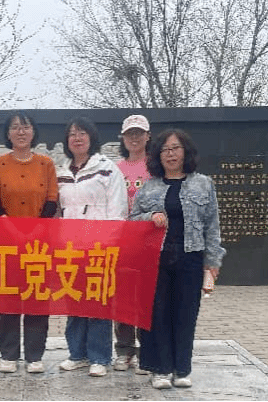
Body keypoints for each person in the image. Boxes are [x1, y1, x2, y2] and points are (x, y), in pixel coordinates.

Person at [129, 128, 225, 390]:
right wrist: (150, 217)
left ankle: (181, 369)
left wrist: (213, 260)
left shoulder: (203, 184)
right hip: (156, 259)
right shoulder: (149, 187)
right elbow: (132, 220)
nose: (170, 154)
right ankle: (159, 369)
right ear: (157, 155)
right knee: (157, 314)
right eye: (165, 150)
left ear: (186, 152)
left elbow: (212, 224)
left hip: (190, 257)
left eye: (175, 148)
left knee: (185, 314)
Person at [0, 111, 59, 375]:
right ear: (8, 133)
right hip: (7, 241)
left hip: (40, 242)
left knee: (37, 296)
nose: (21, 132)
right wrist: (12, 228)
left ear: (33, 132)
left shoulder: (46, 163)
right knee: (9, 298)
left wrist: (36, 230)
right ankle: (8, 354)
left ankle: (34, 355)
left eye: (25, 127)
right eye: (15, 127)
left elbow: (52, 199)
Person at [55, 116, 128, 378]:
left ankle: (99, 357)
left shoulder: (107, 169)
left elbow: (118, 211)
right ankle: (77, 354)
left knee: (98, 301)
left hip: (99, 246)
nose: (77, 138)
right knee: (74, 300)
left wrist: (110, 244)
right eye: (72, 134)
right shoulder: (61, 172)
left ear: (91, 137)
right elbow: (58, 211)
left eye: (82, 133)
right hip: (70, 248)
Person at [113, 114, 152, 375]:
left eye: (139, 133)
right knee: (123, 298)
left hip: (149, 240)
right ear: (123, 138)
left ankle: (147, 351)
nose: (134, 138)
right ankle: (124, 350)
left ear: (148, 136)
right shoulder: (115, 169)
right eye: (130, 134)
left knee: (147, 298)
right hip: (122, 241)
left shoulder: (156, 167)